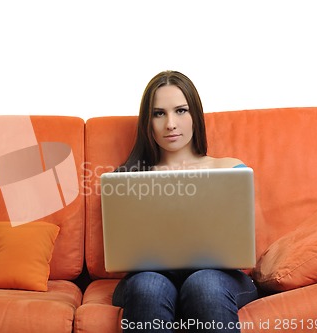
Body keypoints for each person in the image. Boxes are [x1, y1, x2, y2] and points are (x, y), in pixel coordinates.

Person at [111, 70, 259, 333]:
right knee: (149, 286)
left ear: (195, 116)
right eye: (159, 113)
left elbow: (247, 248)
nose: (170, 123)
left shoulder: (231, 169)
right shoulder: (129, 179)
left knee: (204, 285)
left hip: (218, 277)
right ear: (147, 121)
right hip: (150, 278)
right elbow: (120, 252)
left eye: (180, 110)